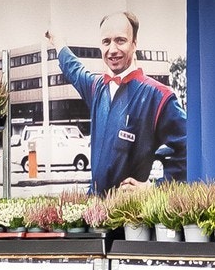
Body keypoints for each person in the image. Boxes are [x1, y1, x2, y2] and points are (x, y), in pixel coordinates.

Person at [45, 12, 187, 193]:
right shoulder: (96, 87)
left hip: (131, 209)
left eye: (120, 40)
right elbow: (73, 69)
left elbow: (189, 148)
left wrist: (154, 189)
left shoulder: (158, 96)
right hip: (96, 207)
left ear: (134, 43)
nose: (112, 49)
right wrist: (57, 41)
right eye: (106, 42)